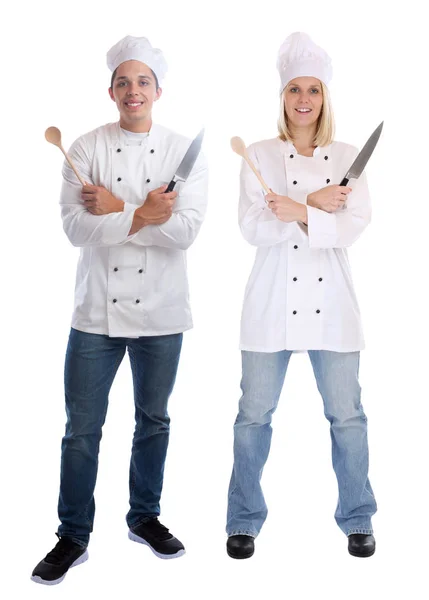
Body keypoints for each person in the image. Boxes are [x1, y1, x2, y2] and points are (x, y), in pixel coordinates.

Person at [32, 35, 208, 585]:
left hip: (163, 313)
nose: (134, 91)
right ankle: (72, 535)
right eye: (124, 82)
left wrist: (118, 209)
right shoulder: (82, 149)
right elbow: (74, 229)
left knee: (153, 422)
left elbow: (185, 234)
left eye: (143, 82)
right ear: (111, 91)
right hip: (94, 316)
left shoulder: (184, 152)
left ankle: (145, 517)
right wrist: (142, 214)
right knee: (81, 429)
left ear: (159, 90)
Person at [226, 32, 377, 560]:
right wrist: (312, 204)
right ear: (283, 95)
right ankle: (242, 520)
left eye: (313, 89)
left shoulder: (350, 156)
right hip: (269, 304)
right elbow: (251, 228)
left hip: (333, 306)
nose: (305, 99)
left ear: (325, 96)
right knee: (253, 417)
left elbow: (353, 227)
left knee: (348, 417)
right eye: (295, 89)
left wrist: (295, 210)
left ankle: (358, 518)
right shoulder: (258, 155)